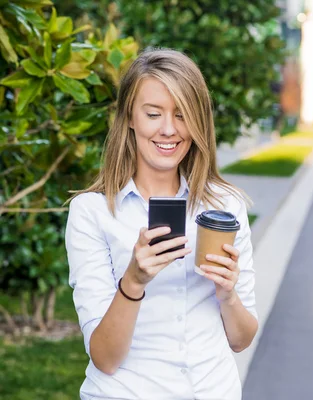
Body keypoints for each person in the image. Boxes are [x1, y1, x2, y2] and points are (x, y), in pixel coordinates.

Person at [65, 48, 258, 400]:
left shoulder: (225, 206)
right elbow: (105, 358)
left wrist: (228, 294)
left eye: (182, 115)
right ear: (130, 117)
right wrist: (134, 281)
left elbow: (241, 340)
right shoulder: (91, 213)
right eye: (153, 113)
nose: (169, 130)